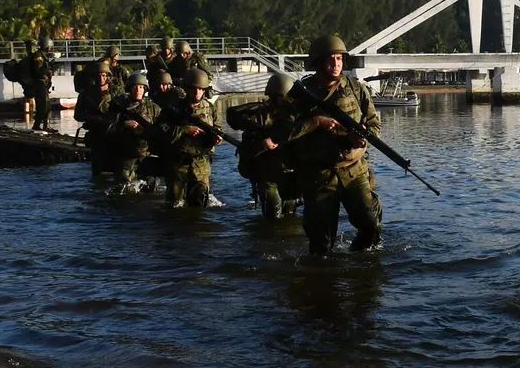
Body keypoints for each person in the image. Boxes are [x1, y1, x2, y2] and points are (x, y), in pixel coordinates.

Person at [264, 36, 381, 254]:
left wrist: (362, 136)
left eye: (339, 59)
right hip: (317, 175)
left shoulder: (356, 89)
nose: (336, 64)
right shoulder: (299, 95)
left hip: (354, 170)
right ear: (318, 62)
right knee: (321, 243)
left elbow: (373, 122)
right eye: (330, 59)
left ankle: (364, 272)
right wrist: (315, 123)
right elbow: (280, 133)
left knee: (370, 226)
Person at [230, 72, 297, 218]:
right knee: (273, 217)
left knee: (291, 217)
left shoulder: (294, 116)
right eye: (282, 97)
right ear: (274, 96)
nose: (286, 101)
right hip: (267, 177)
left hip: (290, 175)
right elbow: (245, 151)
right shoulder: (257, 118)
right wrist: (264, 144)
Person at [154, 68, 220, 207]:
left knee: (200, 204)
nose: (197, 93)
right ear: (186, 89)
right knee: (174, 205)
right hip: (177, 164)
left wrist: (216, 138)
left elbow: (218, 128)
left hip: (200, 163)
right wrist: (184, 129)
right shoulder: (173, 109)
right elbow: (160, 131)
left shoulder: (210, 108)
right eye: (193, 89)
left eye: (201, 89)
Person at [106, 72, 159, 189]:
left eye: (141, 87)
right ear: (129, 89)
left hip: (147, 156)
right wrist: (124, 124)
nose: (138, 90)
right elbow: (108, 128)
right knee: (123, 189)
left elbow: (163, 129)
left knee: (151, 190)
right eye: (135, 87)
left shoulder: (153, 108)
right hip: (126, 156)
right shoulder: (119, 107)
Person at [74, 60, 115, 175]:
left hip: (115, 134)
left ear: (108, 76)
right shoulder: (86, 93)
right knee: (97, 170)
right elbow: (78, 115)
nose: (101, 78)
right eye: (98, 75)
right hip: (96, 134)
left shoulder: (116, 91)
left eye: (103, 75)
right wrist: (94, 118)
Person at [24, 38, 54, 131]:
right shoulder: (38, 55)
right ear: (47, 46)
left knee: (48, 106)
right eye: (49, 47)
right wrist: (47, 71)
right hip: (39, 83)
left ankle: (46, 126)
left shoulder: (44, 56)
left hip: (43, 83)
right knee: (43, 106)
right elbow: (38, 70)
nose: (50, 48)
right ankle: (37, 125)